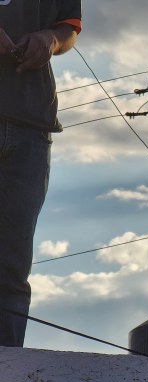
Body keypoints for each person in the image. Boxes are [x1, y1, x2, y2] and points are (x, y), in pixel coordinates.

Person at [0, 1, 82, 346]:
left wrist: (49, 39)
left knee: (11, 270)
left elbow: (68, 28)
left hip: (31, 125)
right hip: (28, 127)